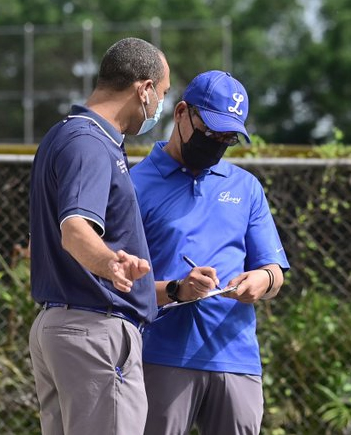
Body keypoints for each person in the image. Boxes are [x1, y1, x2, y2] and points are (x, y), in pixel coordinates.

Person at [130, 70, 290, 435]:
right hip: (159, 355)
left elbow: (274, 272)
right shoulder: (134, 184)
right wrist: (177, 289)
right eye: (211, 132)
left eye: (227, 137)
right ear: (181, 113)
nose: (217, 143)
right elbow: (117, 282)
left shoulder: (246, 188)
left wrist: (261, 280)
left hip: (236, 357)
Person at [28, 37, 171, 435]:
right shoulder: (90, 143)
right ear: (143, 89)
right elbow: (75, 231)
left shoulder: (65, 135)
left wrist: (170, 290)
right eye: (162, 93)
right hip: (94, 330)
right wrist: (110, 263)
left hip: (64, 326)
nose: (160, 105)